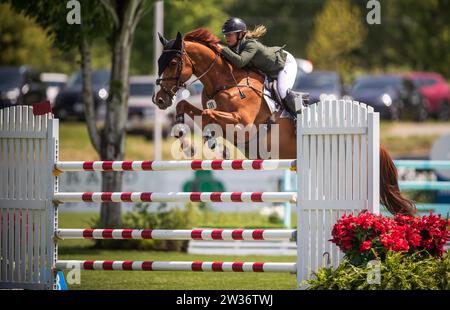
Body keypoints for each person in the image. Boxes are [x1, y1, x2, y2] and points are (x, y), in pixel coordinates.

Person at [217, 17, 298, 115]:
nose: (226, 38)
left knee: (282, 90)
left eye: (230, 34)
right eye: (225, 35)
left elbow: (241, 62)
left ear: (240, 34)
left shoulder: (250, 44)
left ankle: (300, 116)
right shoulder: (235, 48)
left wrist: (222, 49)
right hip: (270, 70)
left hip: (285, 63)